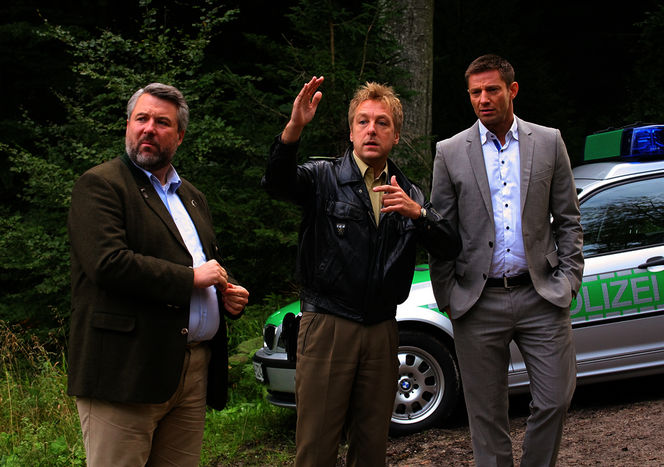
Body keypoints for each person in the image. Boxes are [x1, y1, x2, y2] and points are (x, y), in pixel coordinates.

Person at [262, 76, 461, 466]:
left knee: (371, 447)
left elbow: (450, 246)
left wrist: (419, 214)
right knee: (317, 446)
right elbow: (276, 182)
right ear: (352, 132)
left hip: (384, 329)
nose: (372, 129)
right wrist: (295, 127)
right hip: (328, 325)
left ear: (396, 135)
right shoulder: (323, 178)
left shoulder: (409, 192)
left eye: (382, 122)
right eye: (363, 122)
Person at [67, 82, 249, 466]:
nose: (149, 128)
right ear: (128, 126)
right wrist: (192, 279)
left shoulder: (192, 196)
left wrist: (224, 294)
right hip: (125, 371)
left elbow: (203, 265)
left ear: (179, 136)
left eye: (162, 122)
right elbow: (108, 263)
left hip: (191, 371)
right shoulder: (101, 185)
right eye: (141, 119)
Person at [429, 55, 584, 466]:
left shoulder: (548, 141)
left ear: (512, 90)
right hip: (476, 302)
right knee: (486, 416)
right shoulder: (449, 152)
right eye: (475, 92)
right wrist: (447, 294)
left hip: (541, 294)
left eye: (492, 89)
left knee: (555, 398)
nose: (483, 99)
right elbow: (440, 232)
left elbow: (568, 218)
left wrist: (569, 278)